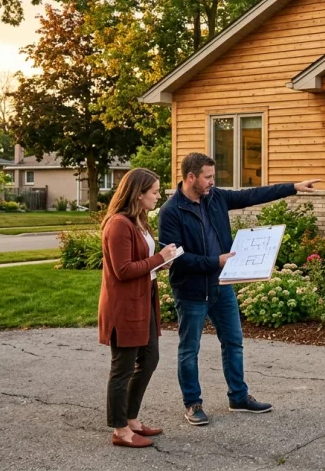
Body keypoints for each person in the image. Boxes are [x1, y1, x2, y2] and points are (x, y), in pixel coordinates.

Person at [158, 152, 319, 425]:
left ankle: (238, 397)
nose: (212, 182)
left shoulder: (216, 197)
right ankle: (193, 403)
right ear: (191, 177)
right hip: (191, 290)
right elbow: (176, 258)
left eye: (213, 176)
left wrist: (293, 187)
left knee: (233, 342)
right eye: (208, 177)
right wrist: (215, 261)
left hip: (222, 286)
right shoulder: (171, 211)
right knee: (189, 350)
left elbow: (252, 195)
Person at [98, 168, 177, 448]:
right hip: (124, 307)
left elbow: (141, 262)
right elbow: (122, 270)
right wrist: (158, 258)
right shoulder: (119, 224)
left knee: (149, 359)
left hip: (144, 302)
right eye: (154, 192)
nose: (158, 196)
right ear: (138, 193)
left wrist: (160, 263)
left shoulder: (139, 221)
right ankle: (120, 430)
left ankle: (131, 419)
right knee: (122, 369)